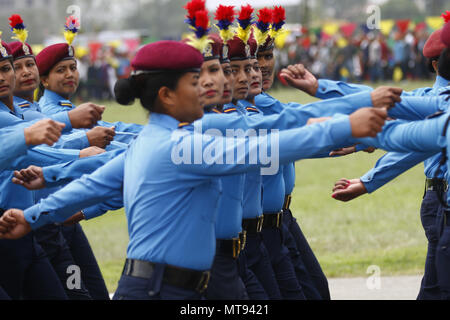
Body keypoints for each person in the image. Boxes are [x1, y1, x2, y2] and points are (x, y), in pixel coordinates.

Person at [0, 36, 390, 300]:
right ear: (167, 95)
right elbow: (264, 148)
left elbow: (97, 182)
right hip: (160, 290)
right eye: (195, 80)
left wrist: (32, 214)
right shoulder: (182, 148)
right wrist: (344, 126)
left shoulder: (160, 139)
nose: (206, 86)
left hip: (167, 287)